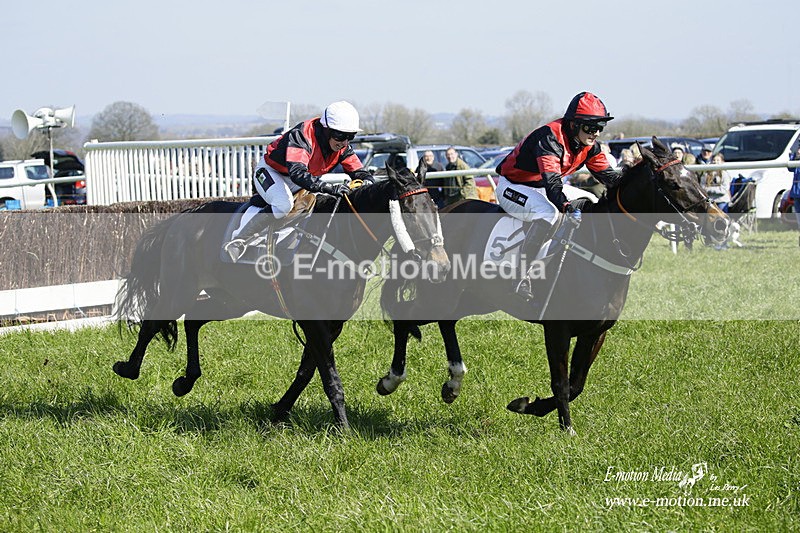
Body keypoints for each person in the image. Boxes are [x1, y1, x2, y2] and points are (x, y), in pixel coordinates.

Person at [495, 91, 621, 299]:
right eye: (591, 127)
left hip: (541, 186)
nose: (596, 133)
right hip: (512, 186)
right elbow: (553, 184)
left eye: (601, 127)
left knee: (592, 200)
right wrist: (566, 206)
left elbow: (610, 177)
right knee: (548, 213)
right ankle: (520, 276)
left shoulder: (589, 146)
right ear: (573, 124)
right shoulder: (549, 138)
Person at [225, 101, 373, 261]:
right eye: (340, 135)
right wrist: (328, 187)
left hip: (298, 180)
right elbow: (297, 173)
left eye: (350, 136)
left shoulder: (343, 147)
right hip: (270, 172)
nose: (344, 142)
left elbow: (359, 172)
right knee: (283, 204)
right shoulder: (302, 135)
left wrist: (369, 183)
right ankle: (239, 240)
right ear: (326, 130)